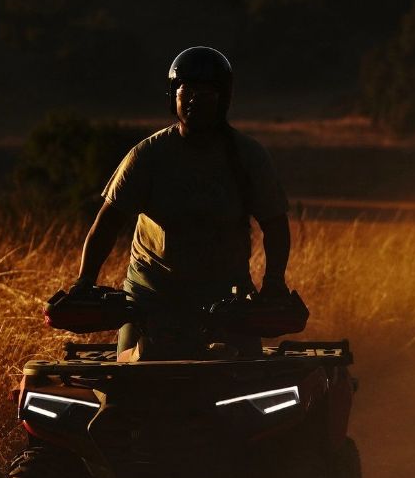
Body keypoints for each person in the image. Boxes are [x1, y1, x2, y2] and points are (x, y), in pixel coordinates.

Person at [70, 46, 291, 357]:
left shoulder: (248, 157)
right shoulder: (146, 156)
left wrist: (274, 283)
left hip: (227, 296)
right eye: (186, 92)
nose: (194, 101)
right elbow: (107, 223)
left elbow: (275, 224)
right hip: (150, 296)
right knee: (124, 382)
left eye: (206, 93)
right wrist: (85, 281)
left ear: (223, 99)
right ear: (172, 96)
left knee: (246, 382)